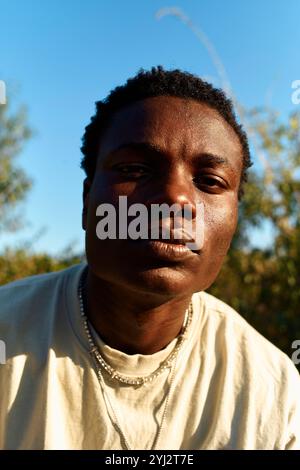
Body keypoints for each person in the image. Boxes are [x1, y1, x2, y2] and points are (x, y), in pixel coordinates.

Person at [0, 66, 299, 450]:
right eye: (135, 169)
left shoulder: (273, 392)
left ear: (235, 222)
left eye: (209, 181)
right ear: (86, 202)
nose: (176, 198)